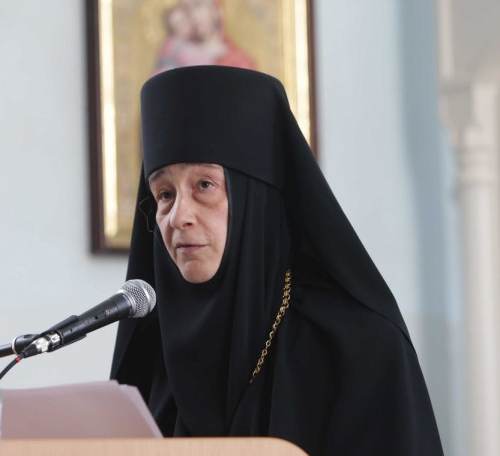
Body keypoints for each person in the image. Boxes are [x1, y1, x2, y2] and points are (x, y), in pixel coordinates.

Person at [111, 66, 444, 455]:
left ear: (257, 196)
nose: (178, 216)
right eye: (165, 194)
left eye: (204, 185)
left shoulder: (361, 348)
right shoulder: (153, 357)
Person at [154, 0, 256, 74]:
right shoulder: (174, 52)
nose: (192, 14)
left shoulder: (238, 62)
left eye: (197, 4)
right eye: (185, 8)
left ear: (216, 10)